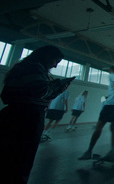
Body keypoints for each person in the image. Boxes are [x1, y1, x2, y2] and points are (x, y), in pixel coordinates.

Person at [0, 45, 68, 184]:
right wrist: (57, 86)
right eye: (55, 61)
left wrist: (56, 88)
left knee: (8, 157)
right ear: (48, 57)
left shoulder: (22, 67)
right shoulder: (35, 68)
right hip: (27, 118)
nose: (55, 66)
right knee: (22, 159)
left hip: (14, 115)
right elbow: (41, 91)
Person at [79, 66, 114, 160]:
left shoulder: (113, 75)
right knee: (113, 127)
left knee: (99, 126)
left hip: (112, 103)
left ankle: (89, 151)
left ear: (111, 71)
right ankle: (112, 151)